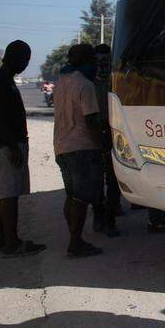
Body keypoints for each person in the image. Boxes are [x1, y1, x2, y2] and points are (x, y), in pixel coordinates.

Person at [0, 41, 45, 257]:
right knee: (9, 195)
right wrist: (13, 146)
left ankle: (1, 238)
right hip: (6, 146)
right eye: (25, 59)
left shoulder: (0, 79)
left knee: (3, 191)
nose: (26, 64)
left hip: (4, 144)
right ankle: (11, 243)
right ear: (13, 57)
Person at [53, 43, 106, 258]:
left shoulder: (60, 82)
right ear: (87, 61)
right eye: (93, 61)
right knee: (82, 198)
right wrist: (102, 146)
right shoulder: (85, 85)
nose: (96, 65)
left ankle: (74, 237)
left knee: (72, 195)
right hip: (82, 146)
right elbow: (91, 119)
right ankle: (75, 243)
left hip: (61, 146)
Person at [91, 44, 120, 237]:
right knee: (97, 181)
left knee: (113, 179)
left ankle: (110, 218)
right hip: (95, 136)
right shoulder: (89, 84)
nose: (103, 66)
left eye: (106, 62)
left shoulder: (115, 82)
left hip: (113, 135)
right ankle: (99, 215)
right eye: (99, 62)